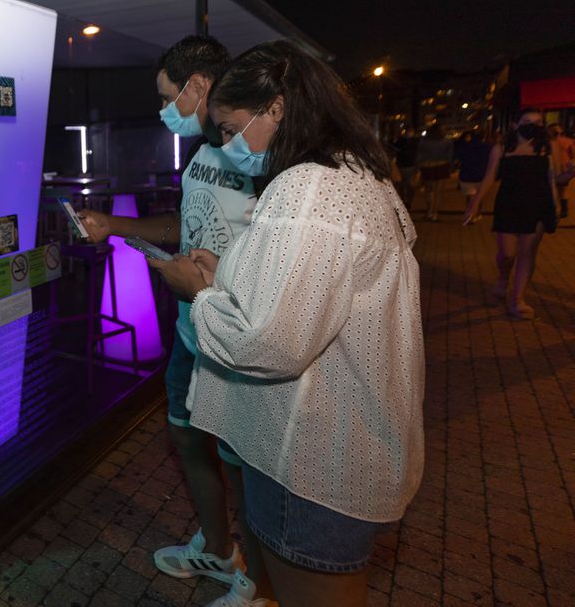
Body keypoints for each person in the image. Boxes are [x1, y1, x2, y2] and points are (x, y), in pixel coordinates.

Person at [150, 40, 424, 607]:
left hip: (311, 456)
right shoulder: (356, 175)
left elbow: (268, 340)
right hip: (346, 446)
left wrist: (196, 293)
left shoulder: (306, 188)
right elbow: (307, 292)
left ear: (275, 108)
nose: (226, 146)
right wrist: (226, 274)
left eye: (229, 130)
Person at [79, 36, 275, 607]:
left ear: (197, 86)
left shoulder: (258, 155)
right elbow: (184, 226)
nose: (165, 110)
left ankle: (260, 587)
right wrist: (113, 223)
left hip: (236, 336)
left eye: (169, 96)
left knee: (244, 466)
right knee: (187, 437)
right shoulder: (204, 154)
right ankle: (219, 551)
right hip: (193, 333)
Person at [463, 109, 560, 319]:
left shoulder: (547, 147)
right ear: (515, 125)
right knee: (507, 254)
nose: (532, 125)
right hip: (509, 204)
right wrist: (474, 204)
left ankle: (518, 300)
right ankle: (503, 278)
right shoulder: (502, 148)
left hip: (539, 205)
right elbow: (489, 178)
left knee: (527, 252)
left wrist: (560, 196)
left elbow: (554, 178)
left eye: (537, 122)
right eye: (527, 121)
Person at [415, 121, 453, 221]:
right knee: (438, 192)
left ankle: (429, 212)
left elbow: (420, 156)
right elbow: (449, 157)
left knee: (429, 191)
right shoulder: (447, 141)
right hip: (442, 167)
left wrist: (418, 168)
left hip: (428, 167)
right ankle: (435, 213)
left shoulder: (424, 141)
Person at [454, 129, 493, 222]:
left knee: (470, 196)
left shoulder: (464, 146)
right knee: (479, 196)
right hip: (481, 176)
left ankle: (470, 214)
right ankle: (477, 213)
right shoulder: (488, 147)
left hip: (467, 175)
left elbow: (459, 159)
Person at [548, 123, 575, 218]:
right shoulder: (569, 141)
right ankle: (564, 210)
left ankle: (553, 209)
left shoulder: (548, 142)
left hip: (552, 166)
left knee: (551, 189)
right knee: (563, 191)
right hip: (565, 166)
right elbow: (573, 153)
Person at [392, 126, 420, 210]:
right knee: (402, 185)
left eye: (411, 131)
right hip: (402, 166)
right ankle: (404, 201)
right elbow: (394, 148)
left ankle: (408, 202)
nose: (409, 133)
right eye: (408, 131)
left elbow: (418, 153)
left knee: (410, 186)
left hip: (411, 166)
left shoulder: (416, 141)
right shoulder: (400, 141)